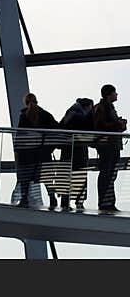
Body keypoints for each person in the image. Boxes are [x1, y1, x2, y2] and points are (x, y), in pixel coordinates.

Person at [15, 93, 60, 209]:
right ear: (37, 101)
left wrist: (18, 151)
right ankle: (52, 199)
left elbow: (20, 136)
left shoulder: (24, 116)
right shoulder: (46, 115)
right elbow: (58, 130)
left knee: (25, 177)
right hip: (43, 152)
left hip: (27, 153)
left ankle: (24, 199)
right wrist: (50, 148)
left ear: (25, 102)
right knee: (47, 177)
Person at [93, 84, 126, 213]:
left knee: (110, 174)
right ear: (109, 94)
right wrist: (118, 124)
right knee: (107, 174)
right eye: (115, 92)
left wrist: (118, 124)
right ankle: (105, 203)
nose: (117, 94)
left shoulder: (107, 108)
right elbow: (100, 126)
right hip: (107, 146)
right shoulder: (102, 108)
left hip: (112, 145)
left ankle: (109, 203)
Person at [58, 98, 94, 211]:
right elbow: (88, 131)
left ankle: (65, 201)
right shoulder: (80, 116)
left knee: (66, 176)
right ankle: (79, 201)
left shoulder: (69, 114)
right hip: (79, 150)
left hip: (67, 150)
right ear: (87, 106)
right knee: (80, 175)